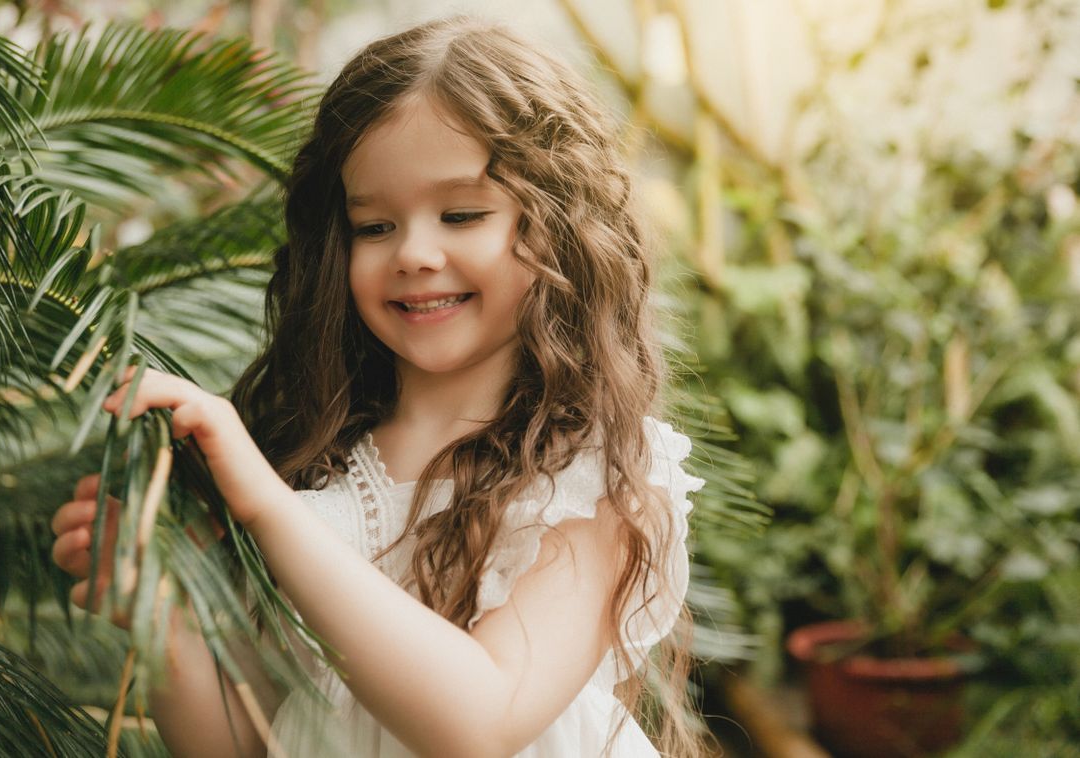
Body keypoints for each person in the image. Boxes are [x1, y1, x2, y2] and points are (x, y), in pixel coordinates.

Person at [50, 15, 707, 758]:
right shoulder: (314, 460)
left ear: (558, 227)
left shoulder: (591, 478)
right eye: (373, 226)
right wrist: (160, 614)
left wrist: (264, 506)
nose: (415, 254)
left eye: (460, 214)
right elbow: (244, 742)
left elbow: (480, 723)